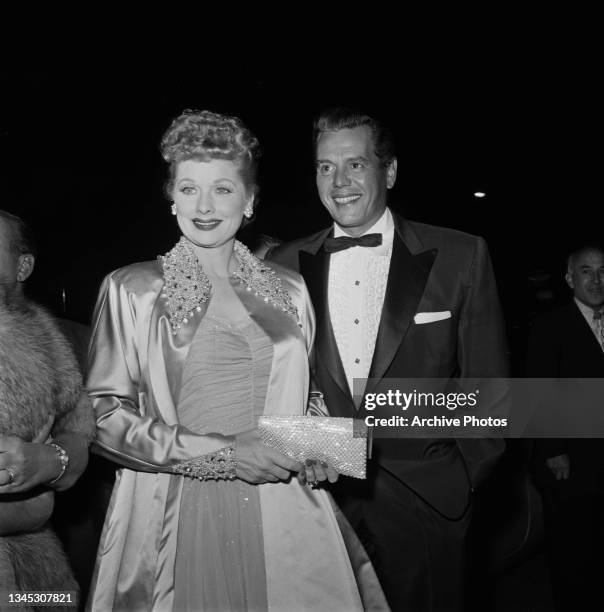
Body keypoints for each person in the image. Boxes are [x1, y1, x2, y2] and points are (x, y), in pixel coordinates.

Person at [85, 110, 386, 612]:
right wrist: (224, 453)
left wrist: (323, 449)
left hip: (283, 502)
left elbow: (306, 395)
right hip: (176, 505)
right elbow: (104, 417)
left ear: (248, 201)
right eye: (188, 189)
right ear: (171, 197)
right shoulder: (132, 288)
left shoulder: (289, 289)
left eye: (222, 190)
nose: (203, 206)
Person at [268, 107, 509, 611]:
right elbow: (273, 387)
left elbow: (490, 386)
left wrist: (464, 476)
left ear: (389, 172)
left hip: (430, 498)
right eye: (324, 167)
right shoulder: (281, 264)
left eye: (355, 165)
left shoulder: (462, 255)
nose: (338, 182)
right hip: (321, 500)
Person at [0, 210, 94, 597]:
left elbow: (79, 436)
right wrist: (33, 507)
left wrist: (48, 462)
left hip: (36, 571)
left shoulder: (45, 335)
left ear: (22, 266)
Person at [526, 243, 604, 611]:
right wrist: (553, 449)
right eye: (587, 271)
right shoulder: (550, 325)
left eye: (603, 271)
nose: (597, 279)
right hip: (571, 458)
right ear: (570, 278)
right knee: (573, 549)